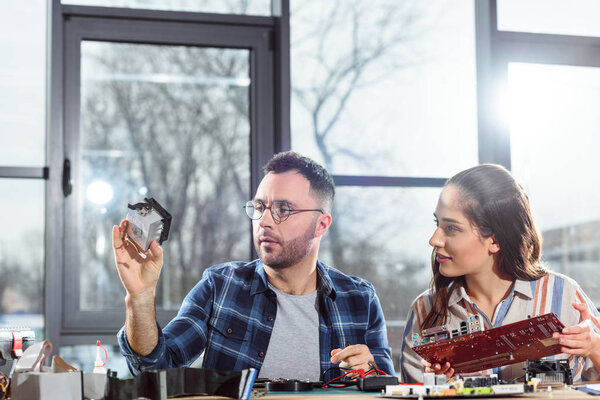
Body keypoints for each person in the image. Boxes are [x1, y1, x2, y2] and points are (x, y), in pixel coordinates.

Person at [114, 151, 394, 381]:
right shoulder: (220, 286)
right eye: (259, 207)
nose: (265, 221)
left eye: (283, 210)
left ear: (321, 224)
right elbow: (154, 367)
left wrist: (371, 374)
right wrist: (139, 298)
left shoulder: (359, 299)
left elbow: (387, 388)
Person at [400, 164, 600, 383]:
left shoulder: (564, 295)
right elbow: (411, 390)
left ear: (494, 240)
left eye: (452, 228)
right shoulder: (424, 309)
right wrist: (435, 385)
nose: (434, 240)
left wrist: (593, 346)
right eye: (437, 223)